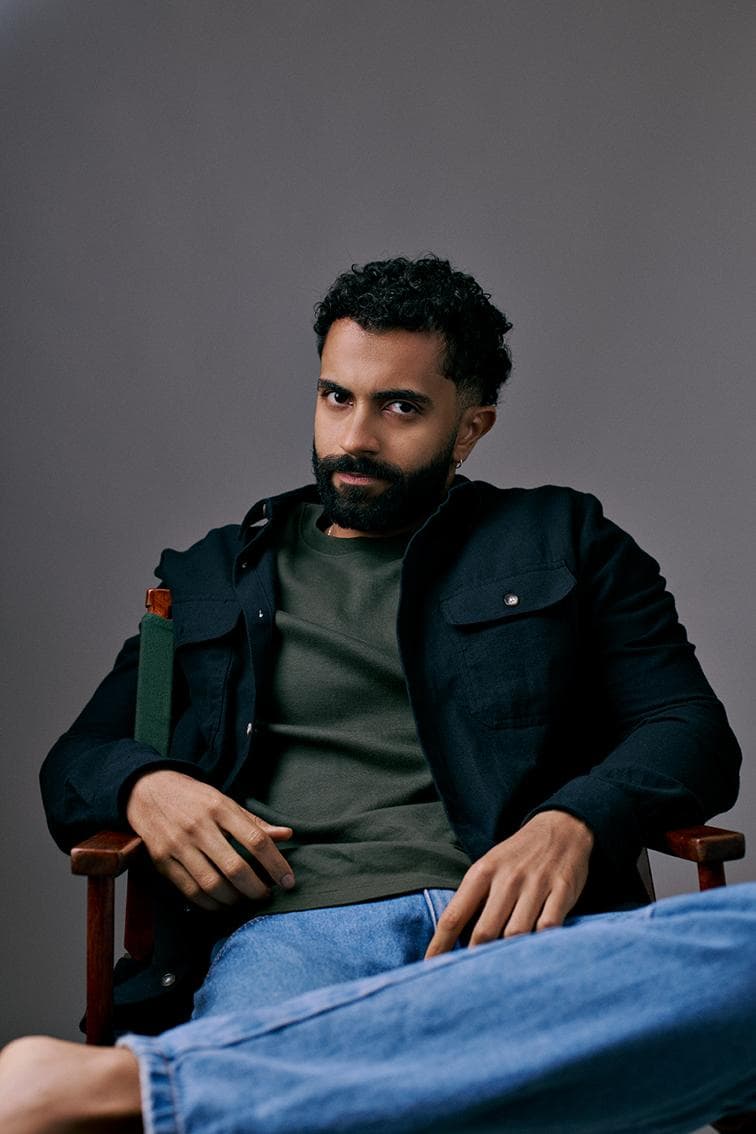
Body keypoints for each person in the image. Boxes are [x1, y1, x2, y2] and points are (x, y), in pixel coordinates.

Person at [3, 256, 755, 1133]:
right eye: (336, 397)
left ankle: (151, 1092)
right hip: (302, 939)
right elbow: (79, 759)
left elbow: (691, 730)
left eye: (400, 407)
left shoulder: (564, 536)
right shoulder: (214, 574)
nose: (354, 436)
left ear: (470, 428)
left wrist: (573, 823)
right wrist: (145, 784)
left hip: (528, 938)